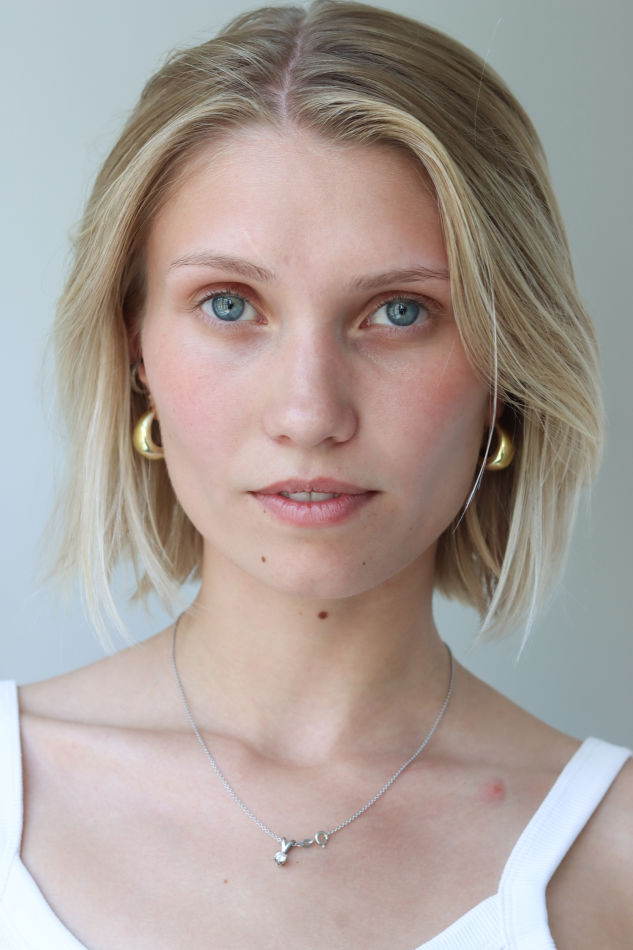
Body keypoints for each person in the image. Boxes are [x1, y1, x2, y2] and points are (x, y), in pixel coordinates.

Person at [1, 1, 631, 947]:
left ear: (507, 371)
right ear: (136, 352)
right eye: (228, 304)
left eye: (400, 312)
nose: (308, 414)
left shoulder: (614, 860)